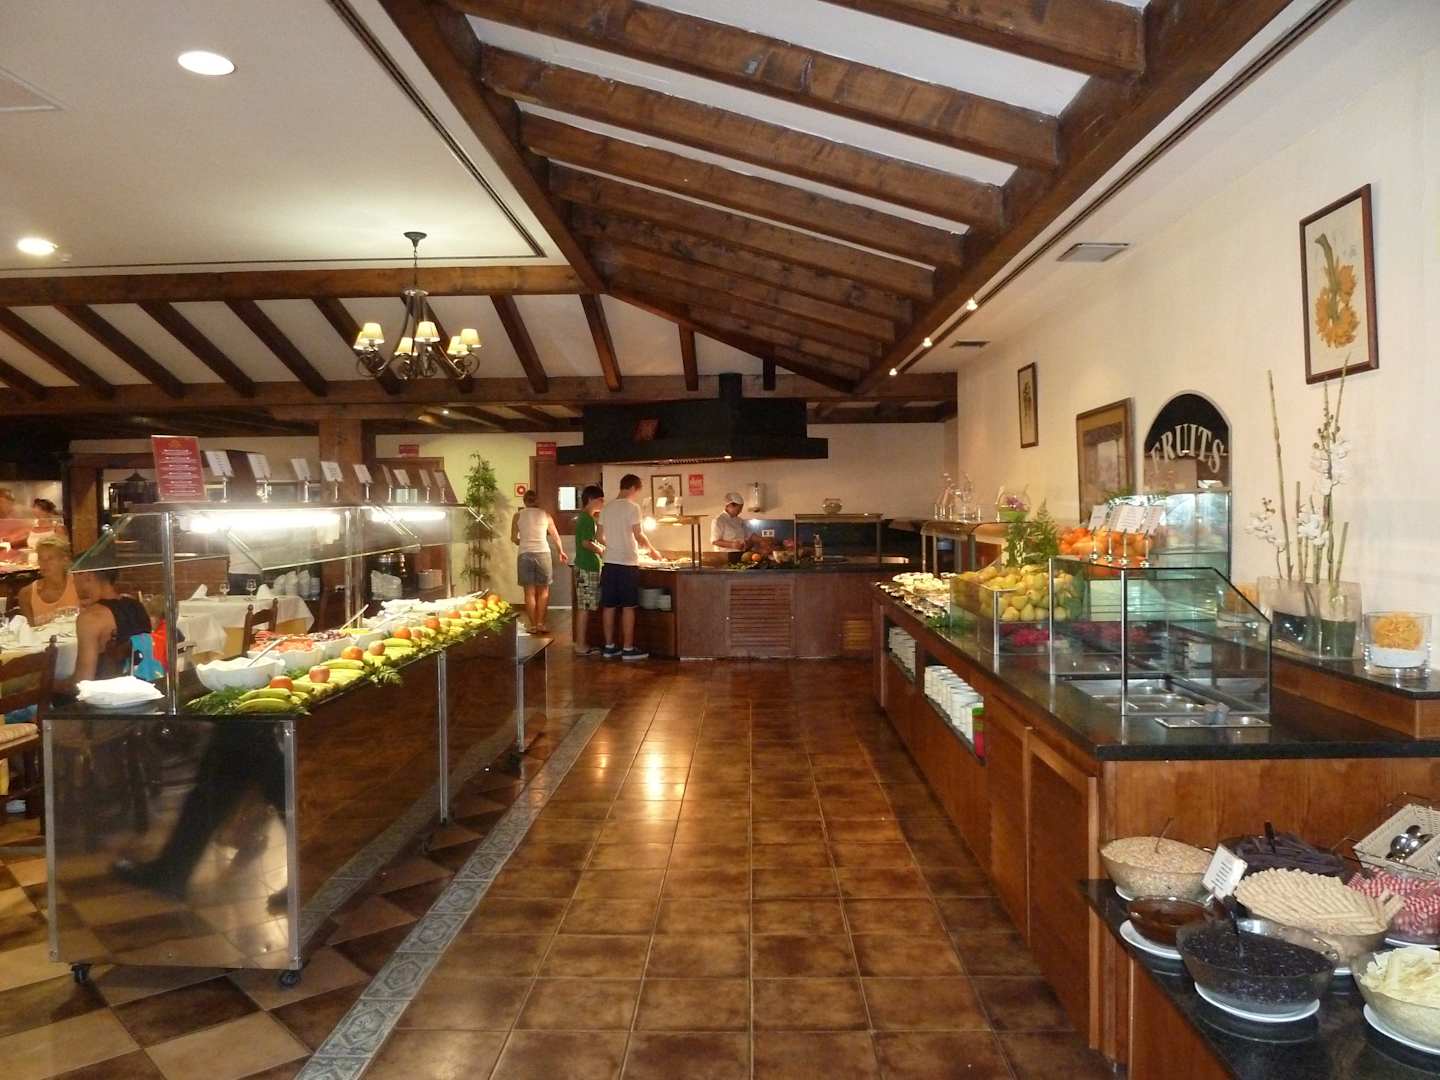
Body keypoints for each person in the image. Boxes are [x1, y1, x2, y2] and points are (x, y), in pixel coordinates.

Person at [597, 473, 661, 660]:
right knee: (628, 606)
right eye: (637, 492)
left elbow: (599, 536)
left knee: (608, 606)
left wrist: (613, 544)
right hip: (627, 563)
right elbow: (638, 534)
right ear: (633, 488)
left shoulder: (606, 508)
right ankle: (627, 648)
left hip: (609, 562)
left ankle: (609, 647)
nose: (636, 495)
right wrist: (653, 551)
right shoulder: (633, 507)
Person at [61, 568, 152, 692]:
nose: (73, 581)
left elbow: (83, 682)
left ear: (87, 575)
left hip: (105, 696)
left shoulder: (90, 618)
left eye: (74, 575)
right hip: (144, 688)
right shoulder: (137, 606)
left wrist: (50, 684)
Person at [510, 488, 568, 635]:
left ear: (524, 501)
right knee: (544, 591)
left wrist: (523, 542)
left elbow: (513, 538)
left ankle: (533, 625)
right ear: (537, 501)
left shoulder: (517, 516)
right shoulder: (545, 515)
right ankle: (541, 623)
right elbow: (555, 536)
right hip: (543, 553)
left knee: (529, 592)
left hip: (524, 554)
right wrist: (561, 551)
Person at [572, 485, 605, 657]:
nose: (602, 503)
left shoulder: (588, 518)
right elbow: (586, 542)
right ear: (591, 499)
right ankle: (580, 644)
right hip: (586, 566)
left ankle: (582, 643)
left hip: (587, 566)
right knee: (584, 607)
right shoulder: (586, 519)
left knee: (585, 606)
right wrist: (601, 550)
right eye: (600, 500)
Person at [18, 536, 79, 625]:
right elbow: (29, 630)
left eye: (50, 558)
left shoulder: (79, 585)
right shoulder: (27, 594)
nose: (44, 563)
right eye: (41, 558)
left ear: (65, 560)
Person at [710, 492, 751, 563]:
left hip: (740, 556)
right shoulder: (719, 520)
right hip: (724, 558)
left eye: (741, 509)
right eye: (738, 509)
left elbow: (746, 536)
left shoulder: (739, 520)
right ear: (730, 505)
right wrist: (732, 545)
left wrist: (746, 543)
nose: (740, 511)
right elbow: (714, 541)